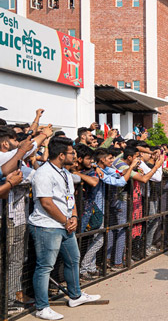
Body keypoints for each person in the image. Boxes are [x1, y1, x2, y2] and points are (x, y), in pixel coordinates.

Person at [28, 137, 100, 320]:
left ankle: (75, 295)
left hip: (65, 224)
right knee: (45, 266)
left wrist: (74, 216)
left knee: (73, 258)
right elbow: (46, 203)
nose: (74, 156)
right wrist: (66, 220)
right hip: (47, 226)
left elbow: (70, 198)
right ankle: (42, 307)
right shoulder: (44, 173)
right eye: (71, 153)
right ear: (61, 155)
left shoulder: (65, 172)